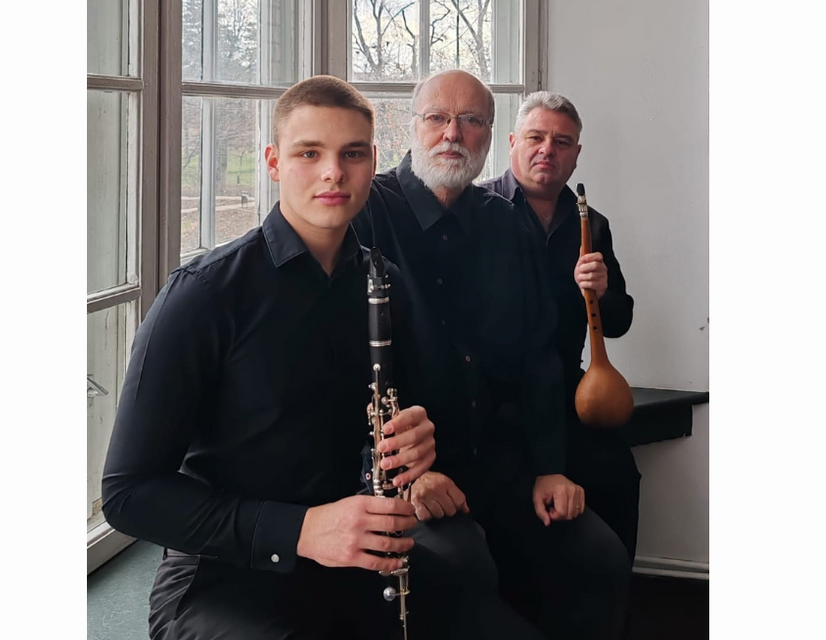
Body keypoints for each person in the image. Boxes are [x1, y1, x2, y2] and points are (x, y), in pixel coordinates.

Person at [101, 75, 541, 640]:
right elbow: (128, 495)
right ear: (274, 162)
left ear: (373, 162)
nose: (334, 172)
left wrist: (417, 446)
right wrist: (301, 531)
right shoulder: (203, 295)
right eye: (309, 153)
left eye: (352, 154)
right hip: (224, 576)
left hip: (354, 550)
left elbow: (403, 415)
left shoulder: (385, 283)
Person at [351, 70, 630, 640]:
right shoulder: (368, 211)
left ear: (489, 133)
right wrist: (406, 473)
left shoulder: (505, 222)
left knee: (598, 557)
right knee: (462, 567)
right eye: (437, 118)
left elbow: (538, 356)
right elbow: (338, 370)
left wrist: (549, 466)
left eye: (471, 120)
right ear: (413, 126)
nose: (453, 134)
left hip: (500, 465)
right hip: (409, 474)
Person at [480, 91, 641, 561]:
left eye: (562, 142)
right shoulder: (476, 211)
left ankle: (612, 595)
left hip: (567, 394)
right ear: (513, 142)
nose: (547, 150)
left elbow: (619, 322)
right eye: (536, 137)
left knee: (618, 476)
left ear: (576, 155)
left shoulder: (593, 225)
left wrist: (602, 291)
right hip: (493, 400)